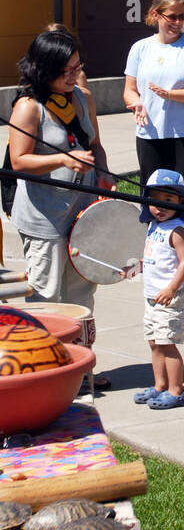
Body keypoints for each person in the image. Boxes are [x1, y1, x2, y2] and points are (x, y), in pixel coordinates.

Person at [8, 31, 115, 388]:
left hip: (83, 214)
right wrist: (63, 159)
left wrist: (103, 172)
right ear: (45, 69)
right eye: (67, 70)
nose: (74, 76)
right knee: (47, 295)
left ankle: (83, 371)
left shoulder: (83, 99)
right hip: (44, 217)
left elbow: (95, 145)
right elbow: (18, 162)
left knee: (82, 294)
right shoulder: (28, 107)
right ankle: (46, 373)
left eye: (78, 67)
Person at [123, 0, 184, 290]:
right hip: (150, 134)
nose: (177, 22)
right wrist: (137, 103)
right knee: (152, 197)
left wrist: (170, 95)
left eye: (181, 16)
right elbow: (129, 90)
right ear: (156, 15)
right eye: (172, 16)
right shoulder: (140, 48)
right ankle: (153, 257)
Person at [133, 169, 184, 409]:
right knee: (154, 343)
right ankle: (159, 385)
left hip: (172, 298)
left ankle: (176, 390)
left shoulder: (177, 230)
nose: (160, 206)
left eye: (168, 200)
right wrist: (136, 267)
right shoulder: (153, 226)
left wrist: (171, 289)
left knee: (167, 345)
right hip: (152, 297)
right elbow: (152, 257)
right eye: (155, 199)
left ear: (180, 202)